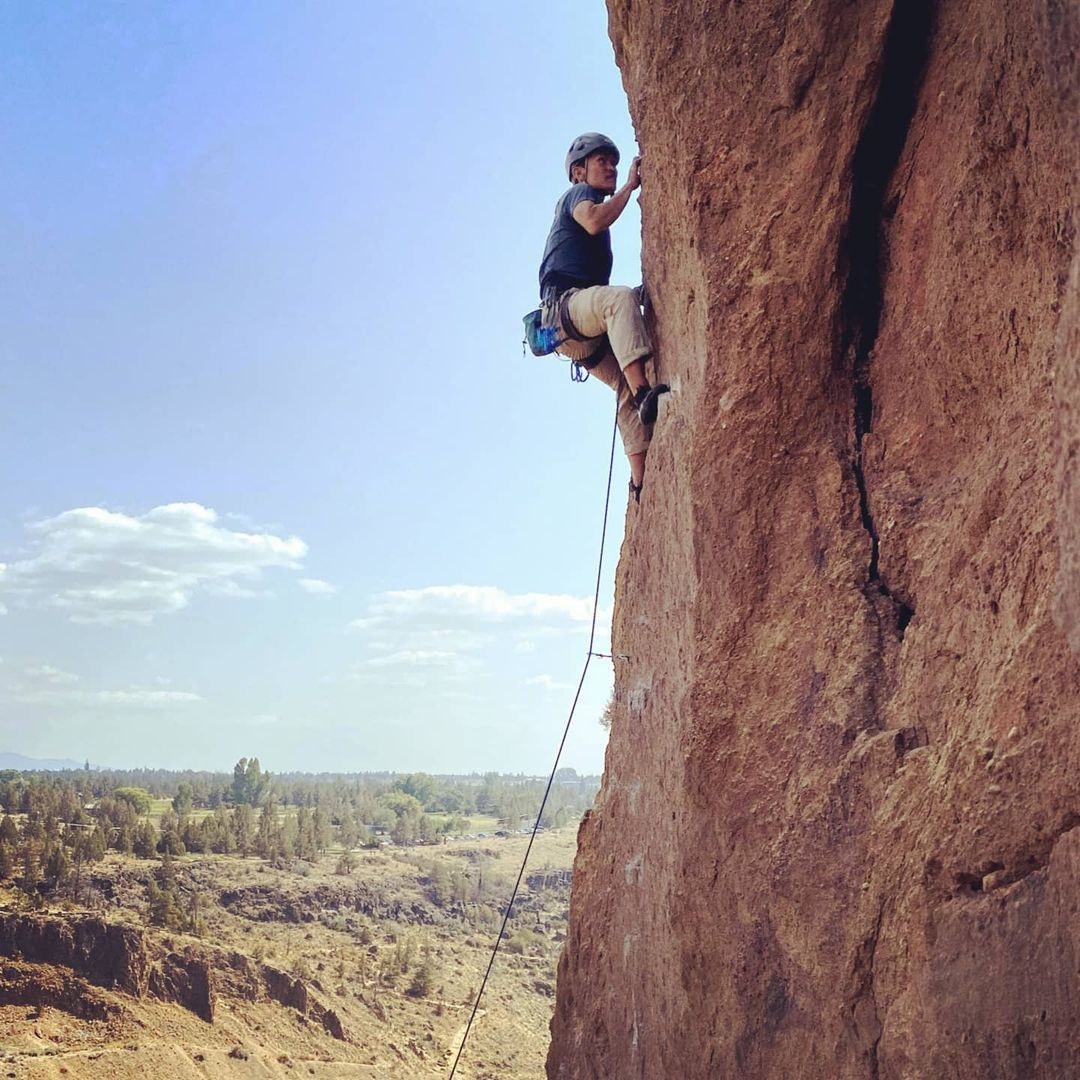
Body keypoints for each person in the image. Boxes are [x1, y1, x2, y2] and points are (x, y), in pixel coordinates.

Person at [538, 132, 668, 502]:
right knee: (619, 301)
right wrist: (629, 186)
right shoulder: (580, 196)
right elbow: (594, 222)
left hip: (573, 334)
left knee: (623, 389)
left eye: (613, 161)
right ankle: (646, 394)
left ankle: (640, 482)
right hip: (566, 309)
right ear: (579, 172)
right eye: (601, 162)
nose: (610, 167)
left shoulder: (586, 197)